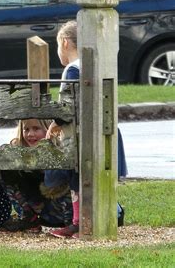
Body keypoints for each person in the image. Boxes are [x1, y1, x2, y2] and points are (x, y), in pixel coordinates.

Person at [46, 20, 126, 238]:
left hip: (81, 134)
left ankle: (79, 221)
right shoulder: (97, 65)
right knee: (99, 175)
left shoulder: (72, 70)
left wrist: (55, 122)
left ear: (64, 43)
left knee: (78, 179)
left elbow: (68, 104)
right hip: (102, 128)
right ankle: (113, 212)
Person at [0, 119, 73, 233]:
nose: (30, 134)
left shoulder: (60, 151)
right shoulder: (18, 150)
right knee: (7, 170)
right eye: (26, 129)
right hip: (40, 210)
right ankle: (29, 219)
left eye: (36, 129)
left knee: (60, 177)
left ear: (48, 129)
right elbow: (9, 151)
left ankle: (70, 223)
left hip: (60, 211)